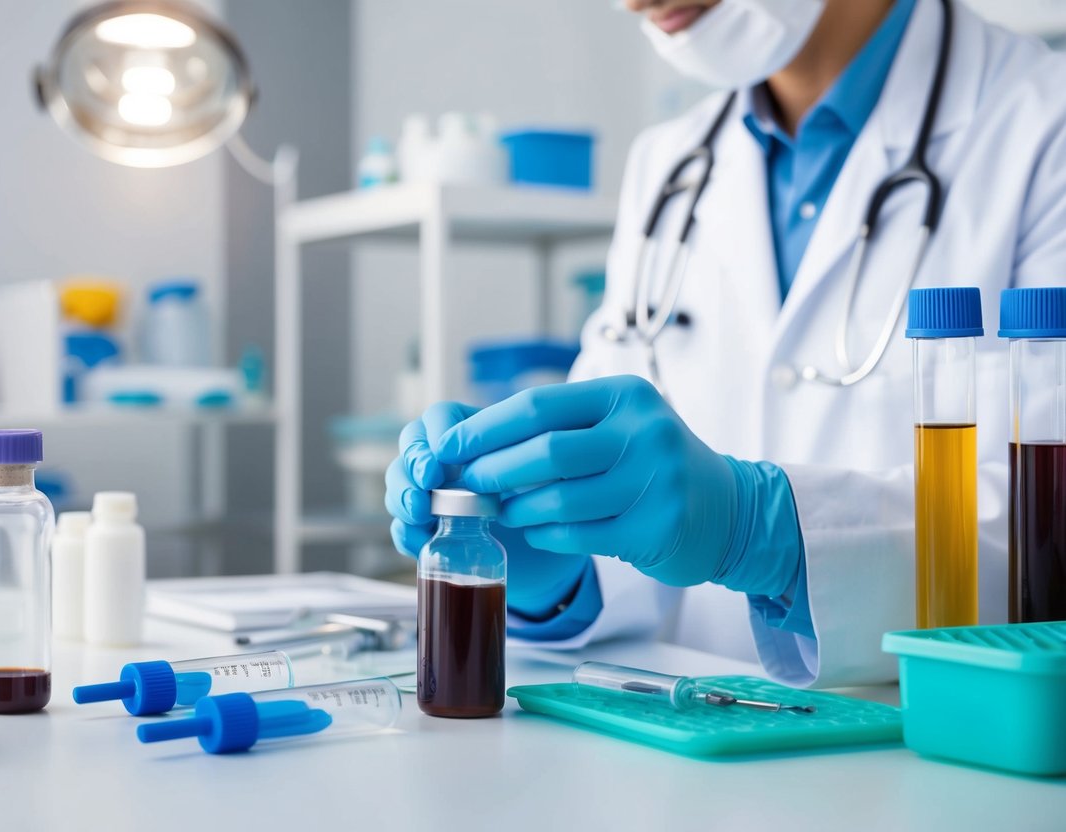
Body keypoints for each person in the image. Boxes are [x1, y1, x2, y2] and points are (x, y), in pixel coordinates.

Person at [385, 0, 1066, 687]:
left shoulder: (1042, 125)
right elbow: (625, 527)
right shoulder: (667, 163)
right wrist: (550, 556)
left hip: (936, 745)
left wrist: (768, 535)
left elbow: (1048, 544)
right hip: (691, 747)